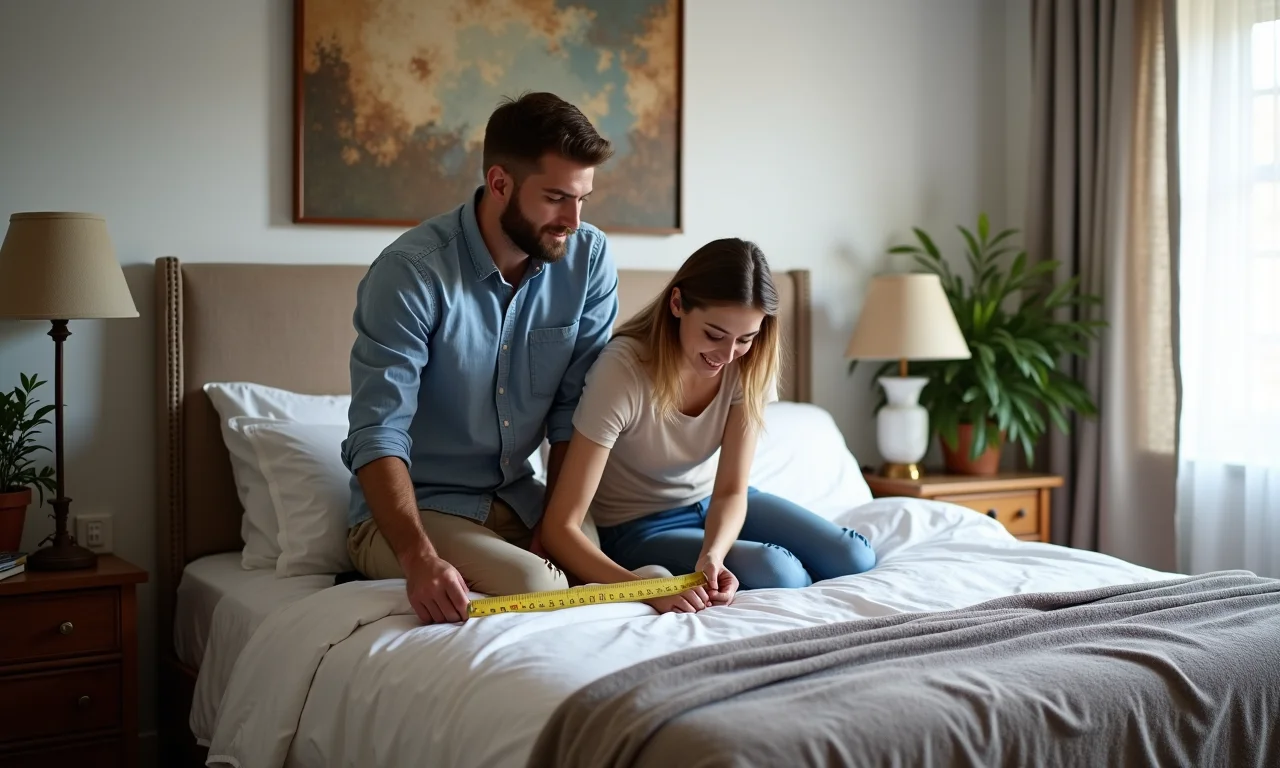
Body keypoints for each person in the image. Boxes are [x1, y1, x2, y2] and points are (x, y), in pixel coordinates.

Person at [340, 92, 620, 625]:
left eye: (583, 199)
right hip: (418, 515)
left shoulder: (589, 260)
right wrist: (419, 559)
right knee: (539, 585)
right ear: (499, 184)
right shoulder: (411, 274)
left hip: (523, 500)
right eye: (557, 197)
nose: (573, 220)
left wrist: (556, 525)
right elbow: (379, 432)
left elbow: (574, 410)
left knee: (595, 569)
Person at [540, 238, 877, 614]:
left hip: (716, 502)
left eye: (745, 338)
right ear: (677, 303)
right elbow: (560, 527)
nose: (727, 354)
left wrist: (713, 554)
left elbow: (732, 490)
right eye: (714, 335)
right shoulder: (623, 372)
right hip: (639, 525)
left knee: (854, 556)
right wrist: (643, 588)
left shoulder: (748, 363)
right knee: (781, 572)